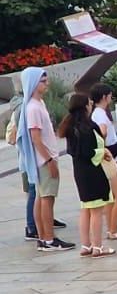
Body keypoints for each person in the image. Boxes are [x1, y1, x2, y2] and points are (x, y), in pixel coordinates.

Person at [16, 68, 75, 251]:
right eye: (43, 81)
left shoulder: (37, 104)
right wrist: (49, 160)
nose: (47, 83)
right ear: (33, 83)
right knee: (47, 198)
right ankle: (49, 238)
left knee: (41, 197)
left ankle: (43, 237)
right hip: (44, 161)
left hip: (45, 159)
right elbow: (36, 138)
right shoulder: (33, 107)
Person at [57, 93, 115, 257]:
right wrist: (102, 152)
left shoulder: (69, 127)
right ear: (85, 107)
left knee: (86, 208)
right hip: (93, 171)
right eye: (89, 103)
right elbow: (89, 152)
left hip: (79, 171)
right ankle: (98, 246)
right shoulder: (88, 127)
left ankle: (86, 245)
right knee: (97, 210)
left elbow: (73, 151)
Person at [89, 84, 117, 241]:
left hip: (111, 156)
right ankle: (114, 229)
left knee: (112, 196)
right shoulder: (99, 115)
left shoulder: (98, 113)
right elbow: (102, 132)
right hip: (110, 157)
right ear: (104, 97)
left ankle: (111, 227)